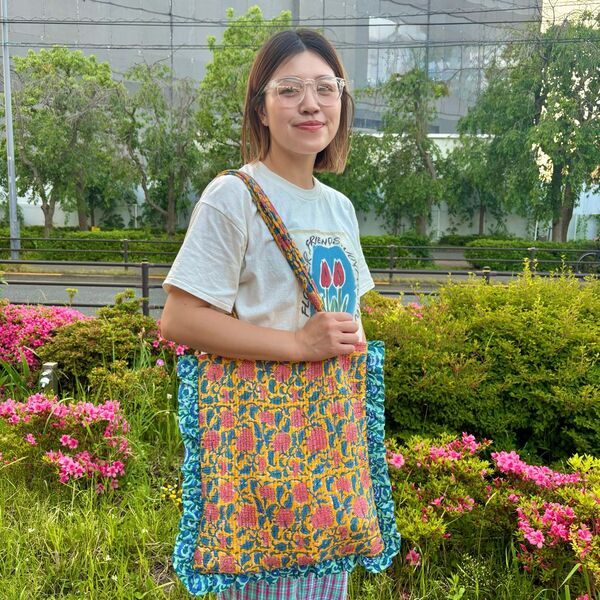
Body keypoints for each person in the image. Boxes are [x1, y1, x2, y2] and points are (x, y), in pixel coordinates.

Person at [160, 28, 375, 600]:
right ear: (261, 108)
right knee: (263, 579)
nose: (311, 104)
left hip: (329, 441)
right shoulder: (233, 196)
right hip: (261, 443)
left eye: (326, 88)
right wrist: (299, 345)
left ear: (341, 102)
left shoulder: (340, 208)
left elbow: (347, 318)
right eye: (290, 89)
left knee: (325, 582)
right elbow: (179, 319)